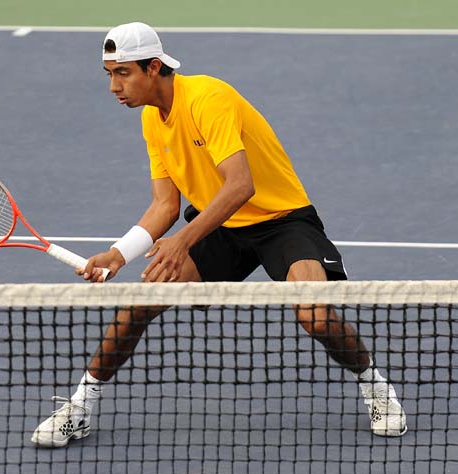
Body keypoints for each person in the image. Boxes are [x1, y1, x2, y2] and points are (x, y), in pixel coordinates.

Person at [31, 22, 407, 447]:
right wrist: (118, 254)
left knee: (315, 315)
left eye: (123, 73)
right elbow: (164, 206)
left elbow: (240, 185)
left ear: (153, 67)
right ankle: (80, 407)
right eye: (109, 74)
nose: (114, 86)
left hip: (280, 219)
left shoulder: (209, 99)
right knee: (139, 304)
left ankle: (375, 385)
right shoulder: (153, 120)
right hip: (220, 224)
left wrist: (183, 241)